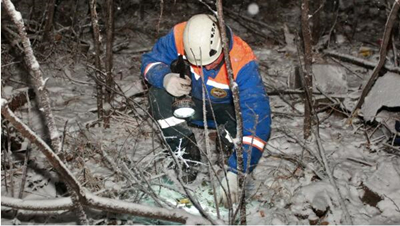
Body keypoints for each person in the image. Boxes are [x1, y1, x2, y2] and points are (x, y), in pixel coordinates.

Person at [141, 14, 271, 207]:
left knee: (242, 128)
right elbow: (151, 60)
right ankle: (186, 152)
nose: (201, 68)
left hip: (223, 112)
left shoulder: (242, 61)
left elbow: (258, 117)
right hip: (189, 104)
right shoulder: (179, 35)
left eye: (207, 64)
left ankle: (228, 153)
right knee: (157, 95)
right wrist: (165, 78)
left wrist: (238, 171)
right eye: (195, 62)